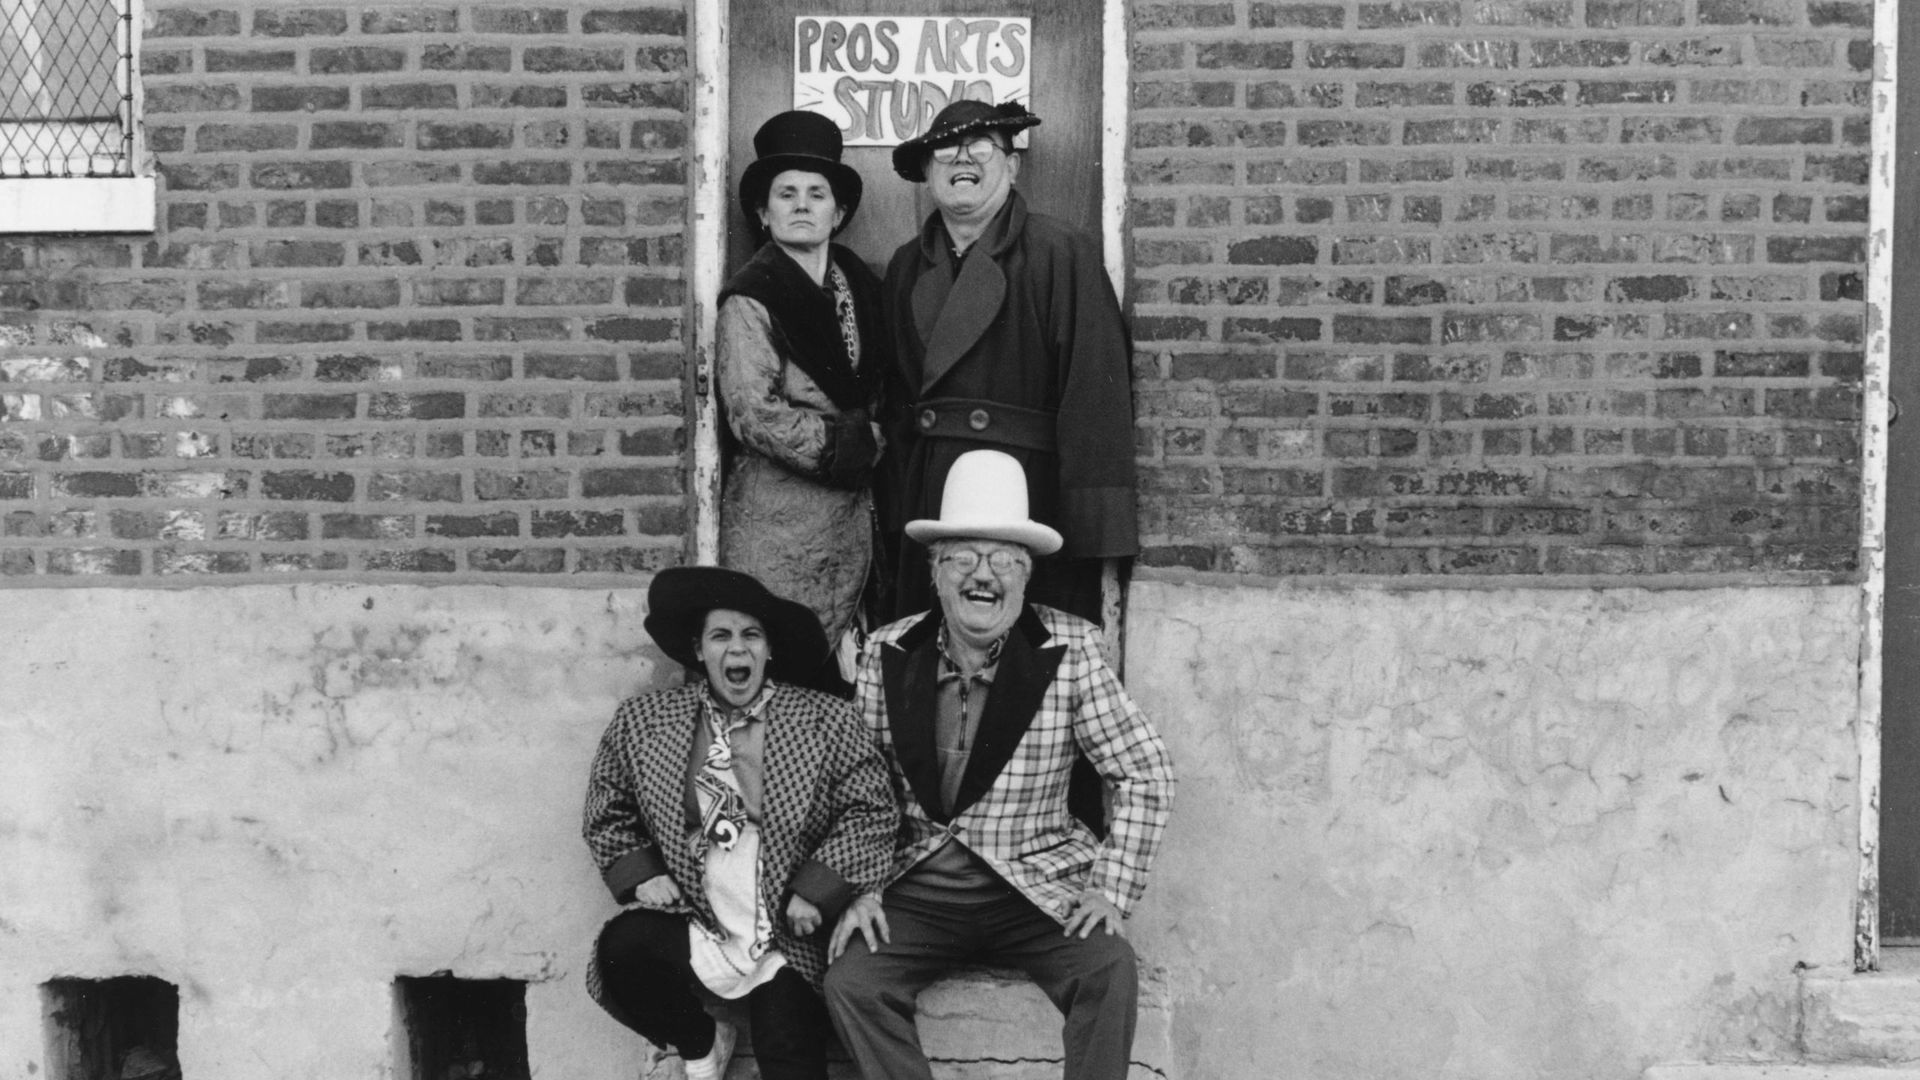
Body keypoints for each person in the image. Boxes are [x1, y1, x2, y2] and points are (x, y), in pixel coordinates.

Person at [823, 450, 1175, 1080]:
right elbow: (859, 789)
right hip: (919, 890)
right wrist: (862, 888)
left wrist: (1110, 888)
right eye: (963, 556)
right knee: (851, 980)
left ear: (1025, 576)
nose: (983, 574)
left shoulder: (1070, 651)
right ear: (935, 572)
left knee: (1109, 970)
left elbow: (1145, 771)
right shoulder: (885, 653)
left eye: (1004, 559)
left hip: (1034, 892)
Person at [583, 566, 898, 1080]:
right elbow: (607, 807)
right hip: (699, 910)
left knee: (788, 1047)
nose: (737, 650)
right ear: (699, 650)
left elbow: (872, 811)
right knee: (622, 952)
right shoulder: (645, 721)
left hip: (783, 922)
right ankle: (701, 1039)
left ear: (769, 650)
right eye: (721, 636)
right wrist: (643, 874)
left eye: (751, 635)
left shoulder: (825, 718)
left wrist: (816, 891)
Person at [878, 100, 1137, 625]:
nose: (961, 161)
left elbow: (1094, 394)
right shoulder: (907, 263)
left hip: (1028, 496)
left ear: (1013, 165)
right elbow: (896, 403)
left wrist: (1092, 525)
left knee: (1026, 657)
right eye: (945, 151)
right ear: (928, 171)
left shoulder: (1061, 252)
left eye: (981, 148)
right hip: (935, 494)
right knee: (935, 650)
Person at [717, 110, 889, 674]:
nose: (801, 204)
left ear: (838, 212)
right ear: (763, 214)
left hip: (855, 517)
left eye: (817, 194)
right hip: (780, 516)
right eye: (785, 194)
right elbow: (753, 413)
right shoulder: (750, 297)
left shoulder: (861, 287)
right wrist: (852, 445)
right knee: (785, 661)